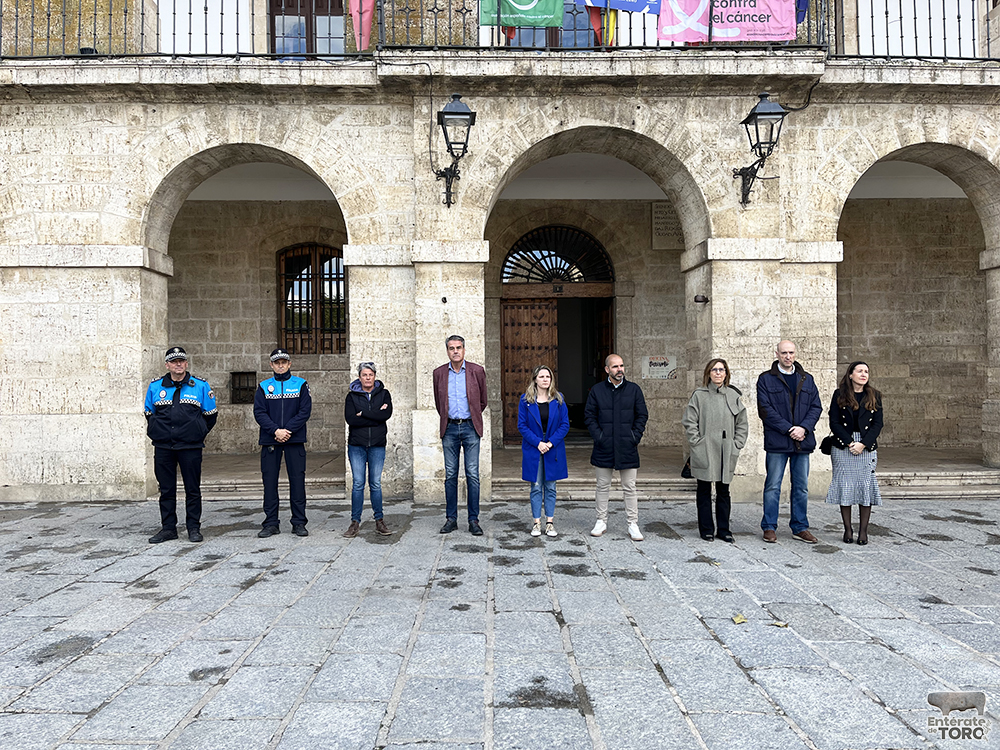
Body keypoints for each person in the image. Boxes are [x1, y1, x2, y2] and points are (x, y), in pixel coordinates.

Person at [143, 346, 217, 544]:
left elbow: (210, 416)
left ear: (186, 363)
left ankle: (194, 527)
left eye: (182, 361)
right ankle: (168, 528)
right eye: (174, 361)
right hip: (164, 446)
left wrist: (197, 431)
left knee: (192, 489)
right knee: (166, 489)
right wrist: (159, 432)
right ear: (167, 365)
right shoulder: (156, 386)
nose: (178, 364)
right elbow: (149, 413)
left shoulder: (200, 386)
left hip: (190, 447)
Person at [756, 340, 823, 544]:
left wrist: (803, 428)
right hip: (778, 441)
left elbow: (816, 407)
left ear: (795, 353)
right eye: (784, 352)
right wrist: (789, 429)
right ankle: (769, 526)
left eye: (791, 352)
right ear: (776, 353)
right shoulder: (766, 379)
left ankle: (800, 527)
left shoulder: (807, 379)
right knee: (773, 486)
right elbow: (765, 410)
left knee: (801, 486)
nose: (788, 356)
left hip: (802, 441)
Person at [682, 358, 749, 543]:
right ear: (708, 373)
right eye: (714, 370)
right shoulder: (699, 395)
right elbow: (689, 420)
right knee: (703, 489)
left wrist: (737, 443)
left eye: (721, 370)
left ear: (726, 373)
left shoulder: (733, 395)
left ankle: (724, 529)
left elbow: (742, 422)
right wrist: (696, 442)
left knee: (723, 490)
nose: (718, 373)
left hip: (726, 448)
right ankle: (706, 529)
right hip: (704, 448)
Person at [585, 354, 649, 541]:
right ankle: (601, 520)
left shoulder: (634, 390)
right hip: (604, 446)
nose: (619, 369)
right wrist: (600, 437)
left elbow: (642, 415)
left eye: (621, 366)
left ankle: (632, 524)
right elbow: (589, 416)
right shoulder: (597, 390)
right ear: (607, 370)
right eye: (615, 367)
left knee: (629, 486)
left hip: (627, 445)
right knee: (602, 486)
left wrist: (634, 436)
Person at [254, 348, 312, 538]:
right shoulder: (263, 386)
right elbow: (259, 412)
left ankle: (298, 522)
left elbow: (304, 411)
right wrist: (275, 431)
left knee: (297, 482)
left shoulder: (301, 384)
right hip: (271, 440)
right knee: (269, 483)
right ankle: (271, 523)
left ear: (289, 364)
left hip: (294, 439)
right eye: (276, 362)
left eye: (283, 362)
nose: (280, 365)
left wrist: (287, 430)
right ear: (271, 365)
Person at [433, 335, 488, 536]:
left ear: (464, 350)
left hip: (470, 427)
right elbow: (440, 404)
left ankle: (473, 520)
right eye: (451, 348)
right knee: (450, 475)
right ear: (447, 351)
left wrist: (471, 417)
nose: (455, 351)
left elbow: (483, 401)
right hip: (449, 429)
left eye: (458, 348)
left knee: (473, 475)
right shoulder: (439, 373)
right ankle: (451, 519)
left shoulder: (476, 371)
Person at [826, 361, 883, 545]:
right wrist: (850, 442)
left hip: (866, 447)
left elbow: (878, 424)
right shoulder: (839, 395)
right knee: (846, 487)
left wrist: (863, 444)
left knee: (865, 487)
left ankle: (863, 531)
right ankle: (848, 529)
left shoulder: (875, 395)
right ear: (850, 374)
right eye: (859, 371)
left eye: (866, 371)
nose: (863, 374)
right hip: (844, 446)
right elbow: (834, 422)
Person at [517, 365, 571, 538]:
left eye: (548, 376)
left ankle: (549, 523)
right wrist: (538, 443)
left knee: (551, 486)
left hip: (552, 447)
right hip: (534, 447)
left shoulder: (558, 399)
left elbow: (565, 425)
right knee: (536, 486)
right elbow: (522, 426)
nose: (545, 379)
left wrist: (550, 443)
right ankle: (536, 523)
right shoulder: (525, 400)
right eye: (541, 376)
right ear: (535, 379)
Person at [344, 361, 394, 538]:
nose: (367, 378)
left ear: (375, 376)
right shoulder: (351, 397)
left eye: (370, 374)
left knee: (375, 483)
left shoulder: (384, 394)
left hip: (377, 445)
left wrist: (363, 414)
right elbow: (351, 419)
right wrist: (375, 417)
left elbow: (386, 415)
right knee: (358, 483)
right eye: (364, 375)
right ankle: (354, 522)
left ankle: (379, 521)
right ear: (359, 377)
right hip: (357, 445)